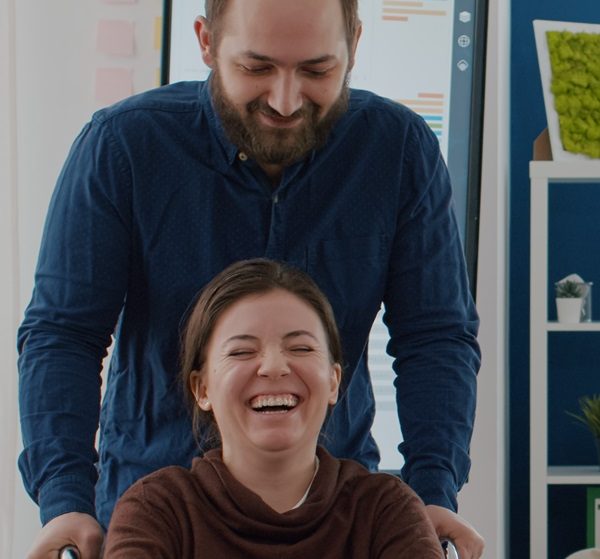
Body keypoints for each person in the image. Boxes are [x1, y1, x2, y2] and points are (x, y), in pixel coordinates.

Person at [18, 0, 484, 557]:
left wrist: (433, 489)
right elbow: (64, 334)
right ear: (207, 43)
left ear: (354, 45)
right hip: (156, 510)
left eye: (316, 71)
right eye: (257, 68)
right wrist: (65, 496)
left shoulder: (399, 151)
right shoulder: (122, 146)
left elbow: (435, 336)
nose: (286, 101)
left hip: (335, 514)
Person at [101, 258, 445, 558]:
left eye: (301, 348)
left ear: (334, 381)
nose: (273, 367)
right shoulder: (156, 509)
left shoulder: (386, 510)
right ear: (201, 388)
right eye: (241, 352)